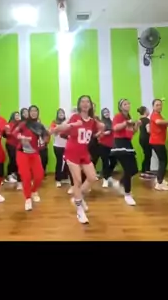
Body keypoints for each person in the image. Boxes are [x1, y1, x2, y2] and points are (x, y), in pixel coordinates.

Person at [52, 95, 105, 224]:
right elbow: (58, 129)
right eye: (82, 101)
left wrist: (100, 130)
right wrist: (73, 124)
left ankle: (77, 198)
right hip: (72, 152)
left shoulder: (92, 121)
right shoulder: (75, 117)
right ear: (79, 105)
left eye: (88, 102)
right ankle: (79, 210)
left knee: (92, 177)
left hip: (84, 153)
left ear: (91, 105)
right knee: (78, 181)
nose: (85, 104)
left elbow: (99, 130)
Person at [15, 105, 47, 211]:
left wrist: (45, 139)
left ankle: (33, 191)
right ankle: (28, 198)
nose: (33, 112)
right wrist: (20, 137)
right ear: (29, 113)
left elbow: (45, 136)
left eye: (35, 111)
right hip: (22, 153)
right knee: (26, 177)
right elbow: (15, 133)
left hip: (34, 153)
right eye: (31, 111)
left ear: (38, 113)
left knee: (39, 176)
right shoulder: (23, 124)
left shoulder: (40, 126)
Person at [112, 99, 140, 205]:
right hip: (119, 144)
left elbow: (132, 132)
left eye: (128, 103)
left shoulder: (129, 117)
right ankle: (127, 194)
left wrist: (137, 125)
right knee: (128, 169)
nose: (127, 105)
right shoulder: (118, 116)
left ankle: (120, 183)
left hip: (128, 143)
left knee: (134, 170)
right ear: (120, 107)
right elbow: (115, 128)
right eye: (125, 104)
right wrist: (126, 123)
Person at [149, 99, 168, 191]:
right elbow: (158, 122)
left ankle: (159, 179)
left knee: (162, 161)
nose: (159, 106)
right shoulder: (155, 115)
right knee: (163, 161)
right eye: (157, 105)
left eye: (160, 105)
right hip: (157, 141)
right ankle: (159, 183)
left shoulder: (158, 115)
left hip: (158, 141)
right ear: (153, 106)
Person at [97, 108, 118, 188]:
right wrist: (105, 132)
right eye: (104, 112)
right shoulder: (101, 123)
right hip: (103, 145)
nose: (106, 113)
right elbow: (98, 133)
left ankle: (108, 175)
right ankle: (105, 179)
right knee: (105, 162)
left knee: (114, 161)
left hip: (112, 145)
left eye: (108, 112)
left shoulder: (111, 122)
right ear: (102, 114)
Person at [50, 108, 70, 187]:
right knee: (59, 162)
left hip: (67, 146)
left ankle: (64, 177)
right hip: (58, 146)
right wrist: (59, 129)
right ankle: (58, 179)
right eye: (59, 113)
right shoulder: (54, 122)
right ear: (57, 115)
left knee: (67, 163)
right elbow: (52, 132)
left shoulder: (67, 122)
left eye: (62, 113)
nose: (61, 114)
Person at [5, 111, 22, 186]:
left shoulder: (21, 124)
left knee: (18, 160)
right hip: (10, 144)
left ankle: (14, 174)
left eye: (18, 115)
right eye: (16, 115)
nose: (17, 116)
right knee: (12, 160)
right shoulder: (9, 124)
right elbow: (8, 133)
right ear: (13, 116)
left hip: (18, 145)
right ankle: (9, 175)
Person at [137, 106, 152, 178]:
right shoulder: (147, 120)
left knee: (147, 155)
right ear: (145, 111)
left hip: (141, 139)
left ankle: (145, 171)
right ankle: (145, 171)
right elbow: (148, 130)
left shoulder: (139, 120)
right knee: (148, 155)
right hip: (146, 139)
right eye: (148, 110)